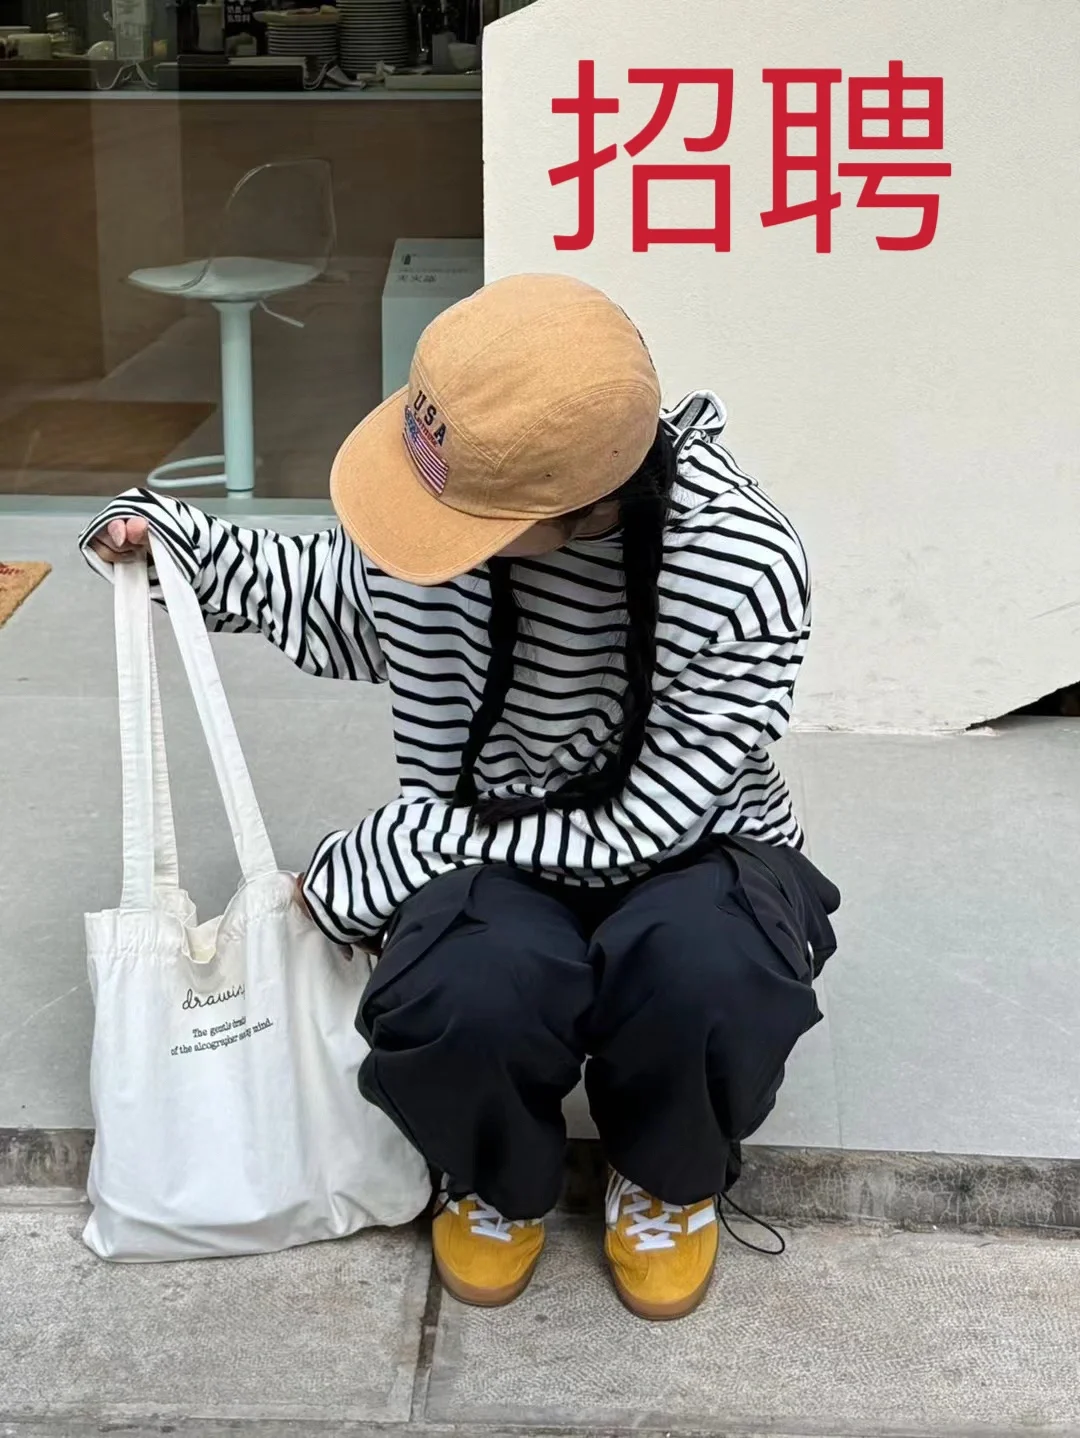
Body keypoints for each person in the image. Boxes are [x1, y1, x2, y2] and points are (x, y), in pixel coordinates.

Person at [85, 273, 840, 1322]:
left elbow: (651, 821)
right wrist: (173, 541)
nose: (417, 529)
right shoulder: (451, 510)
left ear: (578, 508)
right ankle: (495, 1174)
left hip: (696, 844)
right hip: (490, 836)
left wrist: (394, 853)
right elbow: (327, 593)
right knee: (461, 987)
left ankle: (667, 1174)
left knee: (708, 972)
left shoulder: (740, 565)